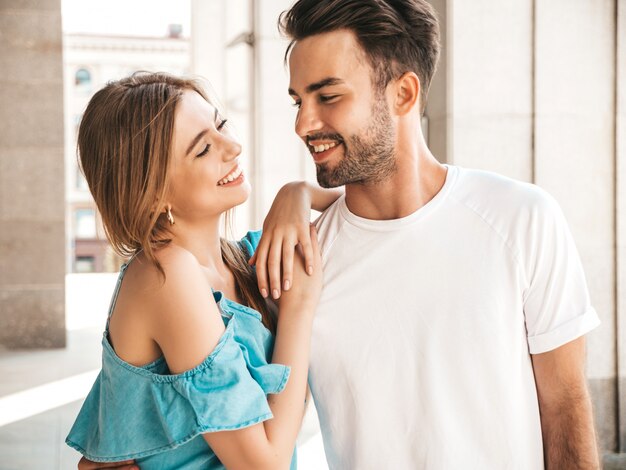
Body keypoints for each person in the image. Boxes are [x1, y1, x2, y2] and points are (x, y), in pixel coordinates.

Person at [250, 0, 601, 468]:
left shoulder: (522, 220)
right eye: (298, 101)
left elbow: (565, 409)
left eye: (327, 96)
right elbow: (256, 431)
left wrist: (298, 192)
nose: (303, 124)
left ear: (403, 95)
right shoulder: (300, 262)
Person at [65, 72, 341, 469]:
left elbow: (371, 213)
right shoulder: (165, 276)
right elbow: (266, 465)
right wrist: (298, 308)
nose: (233, 147)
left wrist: (297, 192)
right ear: (152, 191)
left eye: (221, 124)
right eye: (203, 149)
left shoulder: (245, 258)